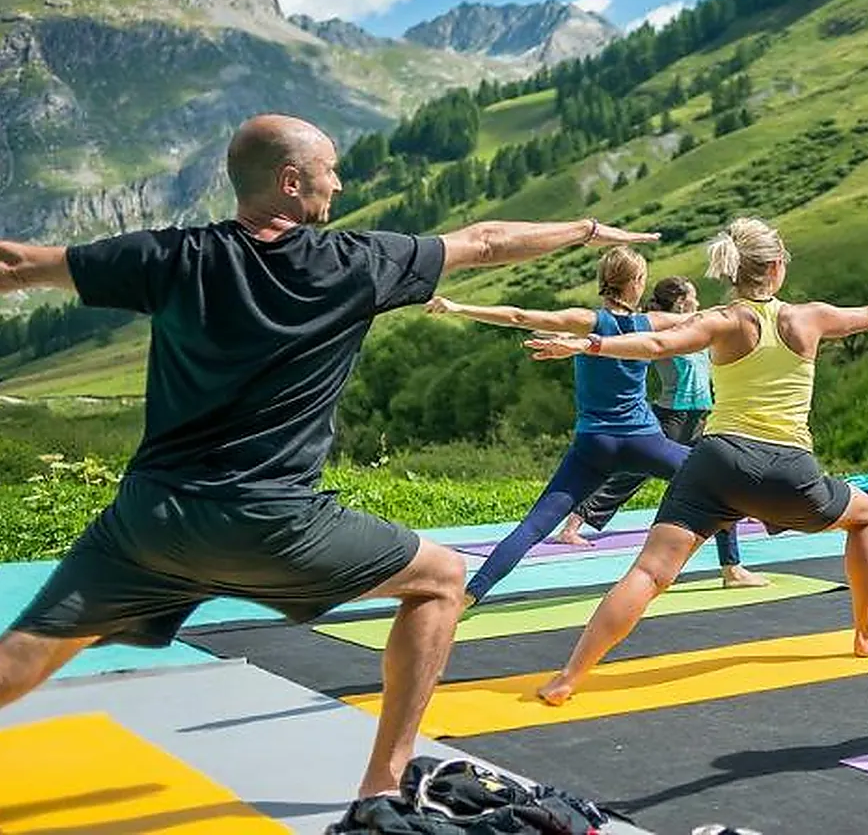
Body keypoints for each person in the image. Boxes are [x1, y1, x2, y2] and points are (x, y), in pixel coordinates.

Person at [0, 114, 656, 797]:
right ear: (291, 182)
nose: (338, 184)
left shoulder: (171, 256)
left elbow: (18, 265)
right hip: (271, 523)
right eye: (330, 170)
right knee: (442, 579)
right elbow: (485, 242)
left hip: (148, 522)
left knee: (27, 650)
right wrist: (584, 230)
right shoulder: (355, 263)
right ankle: (384, 785)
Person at [521, 216, 868, 705]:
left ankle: (568, 677)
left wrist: (588, 344)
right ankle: (867, 635)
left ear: (734, 271)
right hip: (787, 470)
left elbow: (655, 345)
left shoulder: (723, 320)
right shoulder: (809, 318)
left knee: (649, 573)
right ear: (777, 268)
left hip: (715, 463)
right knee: (864, 517)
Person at [427, 254, 767, 602]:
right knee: (719, 484)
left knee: (534, 526)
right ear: (635, 283)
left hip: (593, 446)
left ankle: (470, 594)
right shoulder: (651, 323)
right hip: (644, 442)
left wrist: (456, 306)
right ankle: (732, 570)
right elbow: (715, 318)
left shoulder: (585, 321)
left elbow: (519, 316)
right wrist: (748, 283)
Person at [554, 278, 765, 593]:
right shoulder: (667, 332)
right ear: (680, 302)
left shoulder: (701, 327)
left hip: (702, 416)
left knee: (720, 483)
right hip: (671, 417)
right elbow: (626, 343)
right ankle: (574, 523)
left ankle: (734, 554)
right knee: (631, 475)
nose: (697, 301)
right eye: (692, 296)